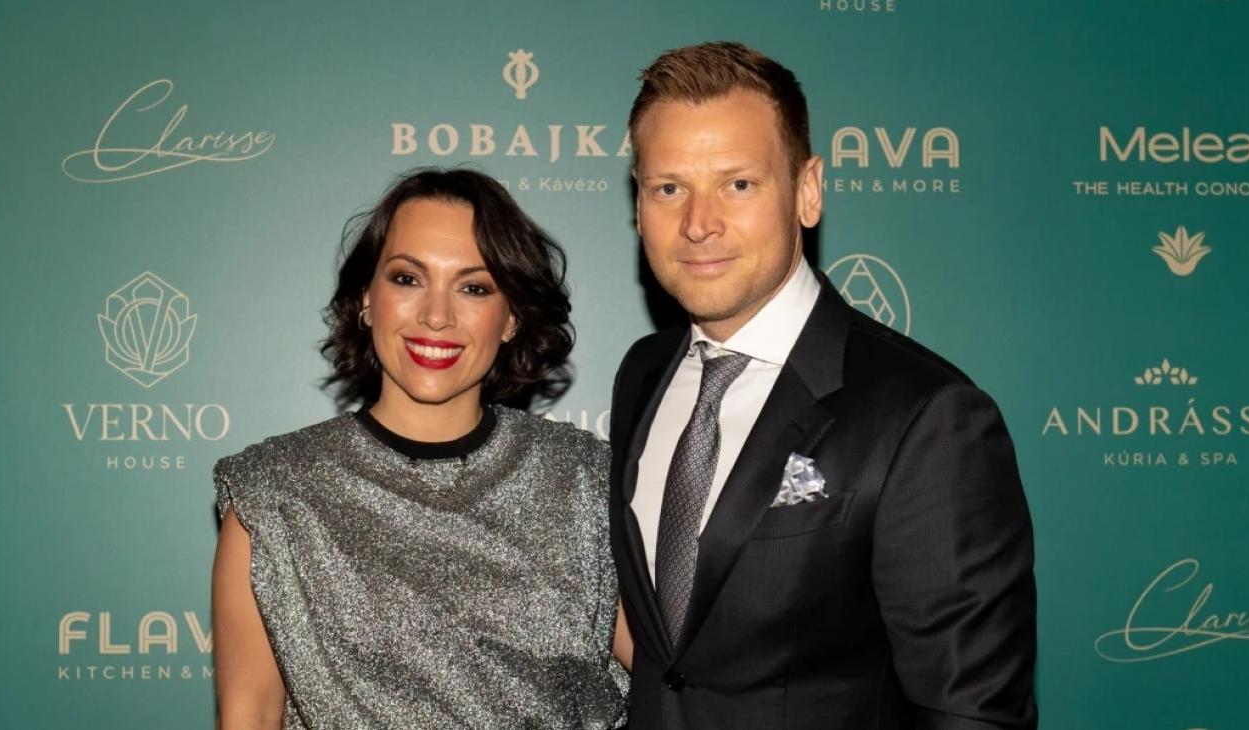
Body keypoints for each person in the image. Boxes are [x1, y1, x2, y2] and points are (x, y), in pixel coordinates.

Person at [608, 42, 1037, 729]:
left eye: (738, 184)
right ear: (638, 203)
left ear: (808, 191)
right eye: (669, 188)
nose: (698, 223)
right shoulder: (643, 372)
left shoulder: (926, 415)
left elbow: (970, 713)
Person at [211, 168, 630, 729]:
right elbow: (249, 717)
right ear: (367, 299)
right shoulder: (276, 495)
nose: (436, 316)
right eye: (408, 279)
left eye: (473, 288)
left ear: (510, 318)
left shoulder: (582, 480)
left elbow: (680, 680)